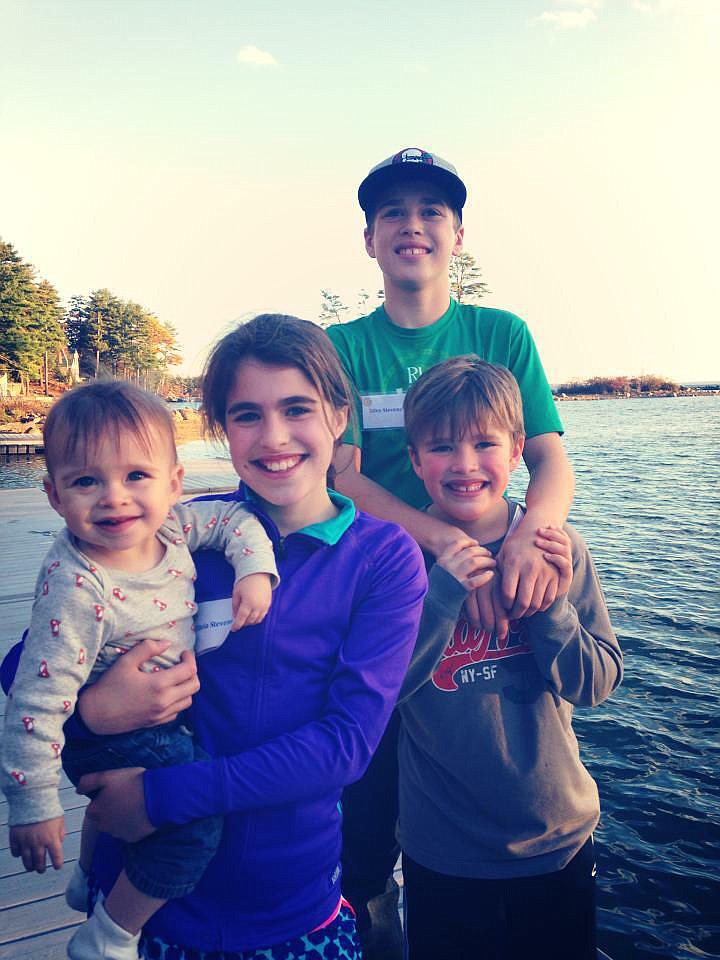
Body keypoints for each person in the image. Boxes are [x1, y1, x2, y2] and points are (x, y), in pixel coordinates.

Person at [53, 314, 427, 959]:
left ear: (339, 416)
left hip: (289, 900)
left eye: (297, 409)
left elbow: (346, 744)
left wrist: (159, 797)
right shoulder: (177, 532)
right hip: (146, 905)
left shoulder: (384, 558)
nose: (274, 437)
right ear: (222, 430)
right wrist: (91, 712)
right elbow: (32, 655)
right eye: (247, 415)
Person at [326, 146, 576, 954]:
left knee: (493, 745)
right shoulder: (343, 346)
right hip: (384, 584)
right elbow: (345, 476)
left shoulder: (501, 331)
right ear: (368, 239)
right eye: (393, 213)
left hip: (495, 579)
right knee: (367, 794)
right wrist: (435, 540)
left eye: (431, 212)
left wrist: (534, 541)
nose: (412, 226)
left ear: (458, 235)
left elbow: (549, 456)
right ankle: (373, 908)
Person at [1, 380, 279, 960]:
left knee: (138, 803)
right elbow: (35, 699)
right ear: (53, 495)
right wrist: (34, 805)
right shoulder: (79, 585)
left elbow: (232, 521)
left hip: (153, 720)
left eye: (136, 477)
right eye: (86, 481)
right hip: (117, 735)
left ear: (174, 484)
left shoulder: (172, 527)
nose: (114, 498)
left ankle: (86, 876)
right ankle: (111, 933)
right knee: (194, 825)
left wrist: (254, 570)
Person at [396, 356, 622, 959]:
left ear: (519, 449)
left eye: (484, 443)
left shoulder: (560, 548)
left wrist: (549, 608)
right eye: (441, 447)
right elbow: (379, 695)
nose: (465, 464)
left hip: (559, 840)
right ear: (415, 460)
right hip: (442, 851)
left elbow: (597, 683)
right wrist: (443, 596)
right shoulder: (396, 560)